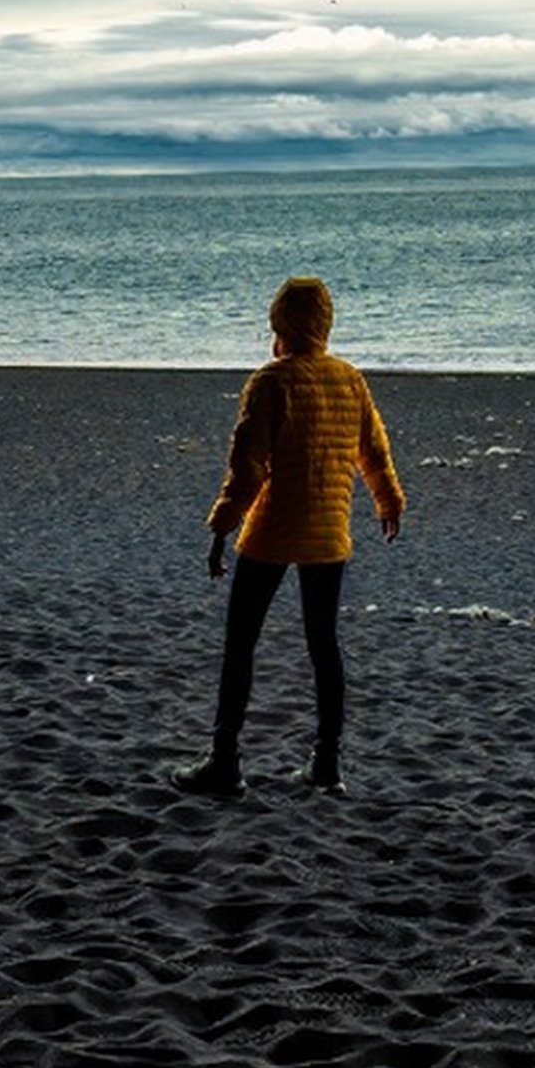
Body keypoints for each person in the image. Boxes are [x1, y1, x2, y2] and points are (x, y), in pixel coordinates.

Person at [174, 274, 403, 799]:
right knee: (324, 646)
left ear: (282, 326)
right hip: (328, 532)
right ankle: (327, 764)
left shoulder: (270, 381)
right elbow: (374, 450)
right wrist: (388, 501)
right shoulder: (349, 379)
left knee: (242, 642)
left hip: (274, 529)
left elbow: (248, 469)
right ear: (324, 326)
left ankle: (225, 759)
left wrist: (221, 527)